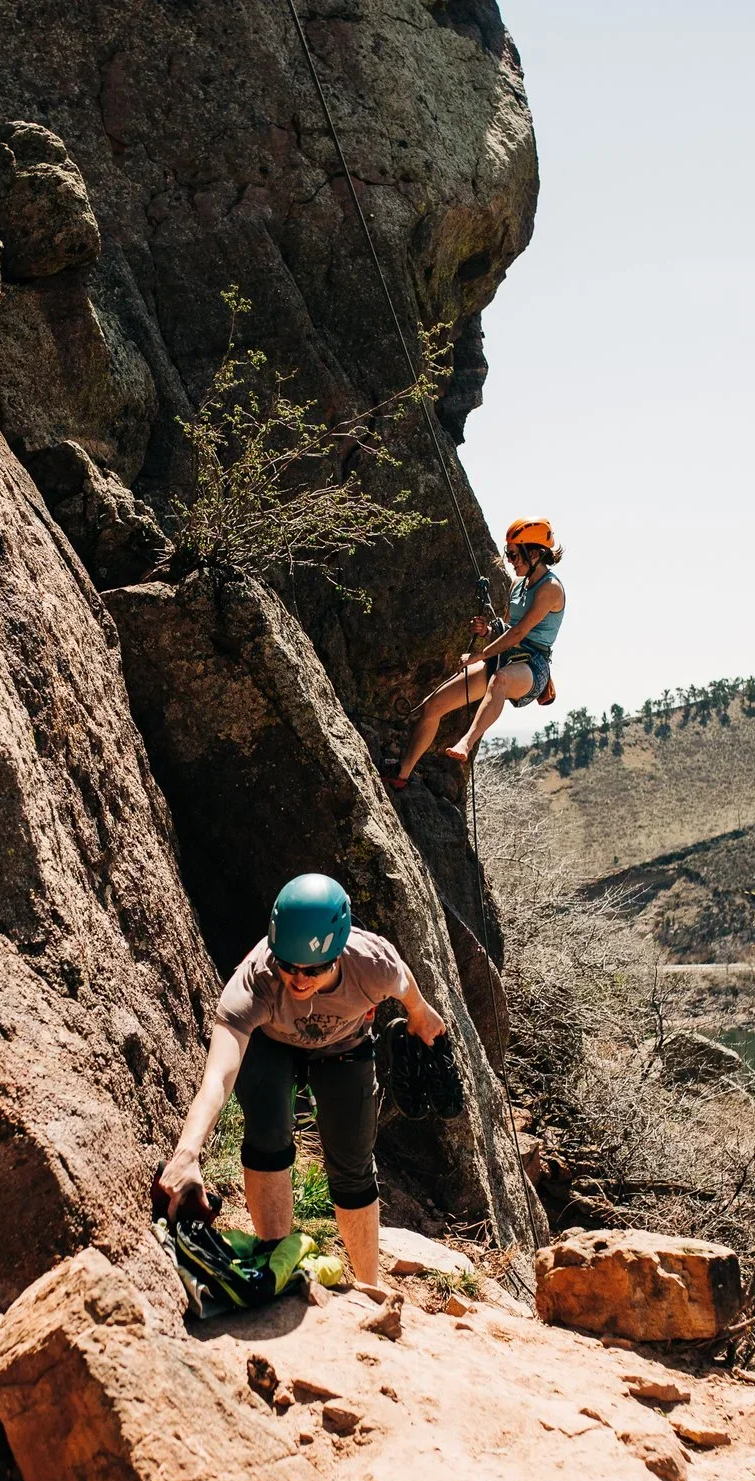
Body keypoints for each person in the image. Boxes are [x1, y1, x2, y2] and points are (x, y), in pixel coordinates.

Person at [157, 874, 447, 1289]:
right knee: (268, 1135)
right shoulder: (255, 981)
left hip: (344, 1046)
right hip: (270, 1045)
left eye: (313, 969)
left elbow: (405, 986)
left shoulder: (371, 964)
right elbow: (217, 1078)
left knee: (353, 1167)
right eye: (288, 965)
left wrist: (420, 1014)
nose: (298, 980)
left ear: (339, 950)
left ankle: (371, 1289)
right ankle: (276, 1266)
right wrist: (187, 1153)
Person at [383, 517, 566, 790]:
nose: (510, 560)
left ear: (536, 553)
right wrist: (488, 631)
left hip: (533, 666)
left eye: (515, 554)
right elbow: (507, 629)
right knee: (433, 706)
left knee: (500, 680)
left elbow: (519, 634)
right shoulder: (519, 585)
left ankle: (466, 743)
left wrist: (481, 656)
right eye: (508, 553)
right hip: (506, 656)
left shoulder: (550, 589)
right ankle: (402, 774)